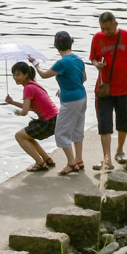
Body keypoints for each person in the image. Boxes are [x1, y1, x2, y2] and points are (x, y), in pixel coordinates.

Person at [90, 12, 127, 170]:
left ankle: (119, 150)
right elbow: (92, 57)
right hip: (104, 89)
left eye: (108, 28)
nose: (105, 31)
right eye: (102, 28)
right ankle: (107, 159)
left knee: (124, 122)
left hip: (124, 88)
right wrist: (96, 64)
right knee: (104, 124)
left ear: (115, 23)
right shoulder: (97, 38)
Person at [38, 30, 90, 174]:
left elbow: (43, 75)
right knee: (77, 129)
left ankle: (71, 163)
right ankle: (79, 159)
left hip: (71, 101)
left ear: (56, 45)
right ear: (70, 43)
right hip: (82, 97)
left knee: (61, 133)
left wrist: (35, 64)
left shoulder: (62, 63)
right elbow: (83, 78)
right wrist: (64, 87)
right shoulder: (78, 59)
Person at [6, 63, 58, 173]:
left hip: (49, 121)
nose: (15, 77)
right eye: (14, 75)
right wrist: (12, 102)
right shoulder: (33, 84)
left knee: (19, 136)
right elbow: (30, 107)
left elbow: (25, 111)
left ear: (26, 74)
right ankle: (47, 159)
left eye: (18, 74)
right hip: (54, 119)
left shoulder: (28, 88)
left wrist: (19, 113)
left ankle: (40, 163)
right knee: (27, 136)